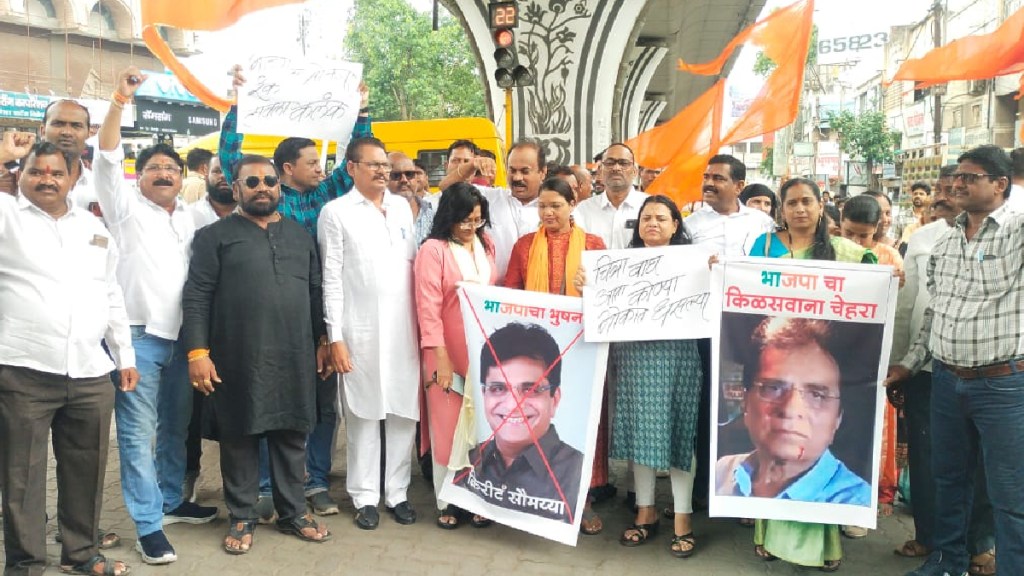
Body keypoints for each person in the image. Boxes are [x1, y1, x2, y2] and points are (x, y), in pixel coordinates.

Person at [220, 65, 373, 518]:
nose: (322, 169)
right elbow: (233, 155)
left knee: (323, 405)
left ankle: (316, 481)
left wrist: (361, 111)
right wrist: (236, 103)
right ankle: (268, 487)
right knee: (273, 401)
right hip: (273, 317)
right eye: (312, 163)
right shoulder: (267, 199)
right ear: (286, 169)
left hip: (318, 314)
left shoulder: (324, 197)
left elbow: (354, 161)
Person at [96, 66, 217, 566]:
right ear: (139, 177)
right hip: (138, 341)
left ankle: (171, 501)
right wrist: (120, 100)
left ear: (182, 177)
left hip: (182, 341)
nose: (164, 174)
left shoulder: (190, 217)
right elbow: (106, 156)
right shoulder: (123, 208)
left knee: (175, 428)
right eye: (154, 169)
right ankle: (148, 525)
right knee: (135, 434)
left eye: (172, 169)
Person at [183, 154, 332, 555]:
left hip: (294, 355)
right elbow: (196, 296)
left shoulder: (300, 236)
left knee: (291, 435)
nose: (262, 187)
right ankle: (243, 515)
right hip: (237, 356)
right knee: (240, 437)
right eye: (252, 182)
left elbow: (317, 292)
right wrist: (198, 351)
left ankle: (294, 512)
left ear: (279, 187)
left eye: (269, 180)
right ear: (236, 189)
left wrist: (322, 341)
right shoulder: (215, 237)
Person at [0, 141, 137, 576]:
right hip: (23, 369)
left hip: (90, 372)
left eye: (56, 172)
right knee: (22, 476)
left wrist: (124, 354)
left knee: (87, 468)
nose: (46, 179)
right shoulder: (6, 218)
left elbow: (111, 292)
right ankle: (25, 565)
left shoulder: (93, 228)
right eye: (35, 172)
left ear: (73, 178)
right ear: (20, 176)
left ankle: (80, 555)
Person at [887, 145, 1023, 576]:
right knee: (949, 479)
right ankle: (948, 561)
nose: (958, 184)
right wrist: (908, 364)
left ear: (1000, 184)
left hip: (1003, 384)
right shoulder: (943, 242)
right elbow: (933, 314)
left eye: (971, 176)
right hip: (946, 379)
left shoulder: (1017, 232)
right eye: (958, 176)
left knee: (1007, 491)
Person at [746, 177, 876, 572]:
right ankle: (768, 536)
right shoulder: (764, 248)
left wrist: (888, 282)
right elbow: (742, 290)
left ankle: (822, 545)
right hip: (778, 359)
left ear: (822, 206)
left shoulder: (846, 253)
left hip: (820, 364)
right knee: (777, 452)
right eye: (791, 203)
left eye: (807, 202)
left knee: (808, 456)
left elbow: (870, 285)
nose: (800, 209)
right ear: (780, 210)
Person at [586, 195, 704, 558]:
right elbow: (599, 304)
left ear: (675, 225)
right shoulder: (620, 263)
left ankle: (683, 518)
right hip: (634, 356)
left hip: (679, 355)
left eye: (661, 218)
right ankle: (646, 512)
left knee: (680, 432)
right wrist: (586, 284)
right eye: (646, 217)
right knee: (640, 431)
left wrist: (715, 271)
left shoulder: (697, 262)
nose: (652, 223)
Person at [319, 136, 420, 530]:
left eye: (384, 164)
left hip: (404, 330)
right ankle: (364, 496)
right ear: (352, 168)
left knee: (401, 411)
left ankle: (397, 493)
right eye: (373, 164)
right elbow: (331, 278)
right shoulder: (336, 212)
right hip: (358, 330)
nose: (382, 170)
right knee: (362, 412)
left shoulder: (400, 208)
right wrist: (335, 336)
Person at [503, 177, 606, 534]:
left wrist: (590, 288)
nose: (547, 212)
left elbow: (606, 295)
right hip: (536, 351)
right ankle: (532, 494)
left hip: (582, 347)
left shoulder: (594, 245)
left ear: (572, 204)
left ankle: (583, 500)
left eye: (555, 206)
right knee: (536, 418)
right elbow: (510, 294)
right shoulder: (524, 246)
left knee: (582, 418)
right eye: (542, 206)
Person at [684, 155, 775, 512]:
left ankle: (743, 491)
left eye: (718, 178)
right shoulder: (691, 225)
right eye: (706, 176)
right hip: (702, 328)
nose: (709, 182)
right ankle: (704, 486)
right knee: (706, 406)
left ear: (738, 186)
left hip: (747, 330)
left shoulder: (762, 223)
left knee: (744, 407)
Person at [715, 316, 871, 505]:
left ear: (837, 419)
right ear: (746, 402)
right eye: (773, 388)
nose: (790, 409)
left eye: (816, 394)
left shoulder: (856, 500)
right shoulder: (722, 472)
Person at [413, 182, 498, 529]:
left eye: (477, 220)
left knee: (482, 427)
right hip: (444, 351)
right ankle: (449, 500)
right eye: (464, 220)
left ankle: (480, 496)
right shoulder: (433, 250)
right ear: (448, 216)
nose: (470, 227)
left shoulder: (486, 243)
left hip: (483, 350)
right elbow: (428, 308)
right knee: (448, 427)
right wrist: (440, 356)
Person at [456, 322, 584, 523]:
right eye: (498, 388)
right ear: (483, 394)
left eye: (531, 389)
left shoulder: (576, 472)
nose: (514, 404)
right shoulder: (469, 462)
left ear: (554, 399)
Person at [573, 143, 649, 250]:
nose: (616, 168)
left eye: (623, 163)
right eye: (610, 163)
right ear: (600, 170)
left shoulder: (649, 206)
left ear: (635, 171)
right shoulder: (582, 210)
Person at [389, 152, 434, 244]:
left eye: (409, 174)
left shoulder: (431, 213)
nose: (404, 180)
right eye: (396, 175)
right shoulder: (377, 216)